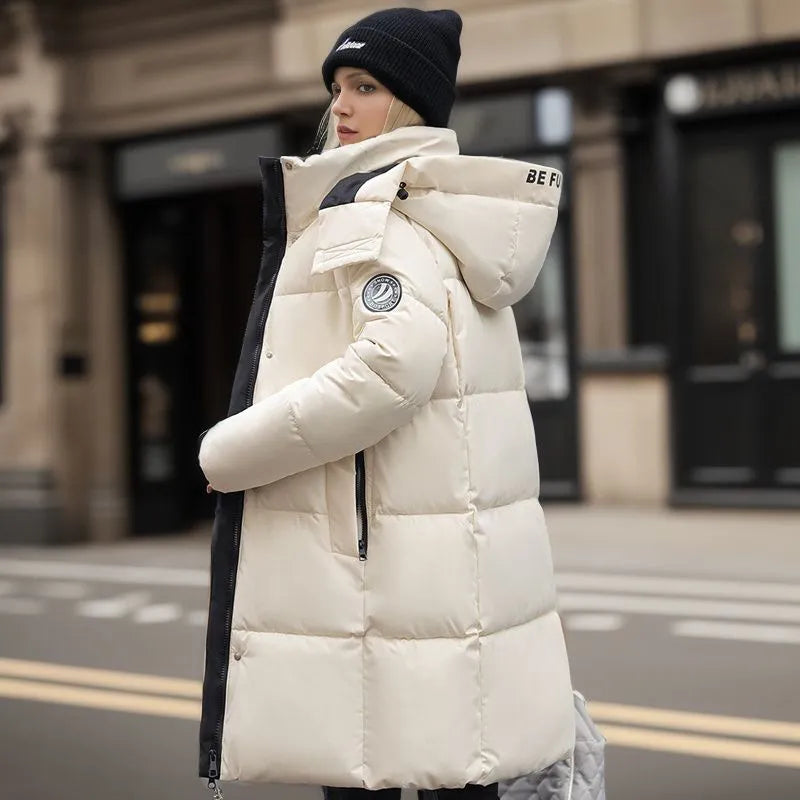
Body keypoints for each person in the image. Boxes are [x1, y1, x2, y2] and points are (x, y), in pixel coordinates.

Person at [197, 8, 575, 800]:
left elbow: (388, 370)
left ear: (411, 104)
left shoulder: (378, 216)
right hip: (434, 574)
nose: (340, 106)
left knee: (376, 768)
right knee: (455, 761)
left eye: (365, 86)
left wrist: (229, 451)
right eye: (337, 86)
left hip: (383, 579)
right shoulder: (443, 217)